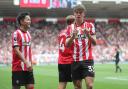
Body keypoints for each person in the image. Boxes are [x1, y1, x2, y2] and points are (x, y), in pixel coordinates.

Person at [65, 4, 96, 89]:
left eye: (80, 12)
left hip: (88, 60)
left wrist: (88, 35)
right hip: (75, 61)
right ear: (74, 14)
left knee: (90, 85)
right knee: (78, 86)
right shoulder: (70, 27)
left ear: (84, 14)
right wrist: (72, 37)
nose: (78, 14)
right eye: (76, 12)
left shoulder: (90, 25)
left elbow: (95, 42)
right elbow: (66, 45)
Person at [12, 12, 34, 89]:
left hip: (28, 67)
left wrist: (30, 62)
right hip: (18, 67)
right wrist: (26, 61)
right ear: (21, 21)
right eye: (28, 20)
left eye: (30, 20)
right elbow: (16, 50)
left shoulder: (28, 34)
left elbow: (28, 50)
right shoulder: (16, 33)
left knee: (31, 87)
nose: (30, 21)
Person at [58, 15, 75, 89]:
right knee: (77, 84)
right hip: (70, 61)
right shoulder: (72, 33)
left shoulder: (61, 33)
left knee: (62, 84)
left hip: (61, 61)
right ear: (73, 23)